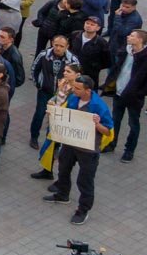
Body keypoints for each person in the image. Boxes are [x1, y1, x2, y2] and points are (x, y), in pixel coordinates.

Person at [44, 75, 114, 225]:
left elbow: (108, 131)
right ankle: (63, 194)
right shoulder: (74, 99)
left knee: (85, 180)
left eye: (77, 88)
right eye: (74, 87)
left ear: (88, 90)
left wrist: (97, 125)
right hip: (70, 144)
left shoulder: (99, 106)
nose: (73, 90)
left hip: (88, 150)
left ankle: (83, 209)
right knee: (63, 169)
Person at [109, 29, 147, 163]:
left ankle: (129, 150)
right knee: (115, 120)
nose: (128, 37)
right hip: (119, 92)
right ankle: (111, 143)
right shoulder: (126, 50)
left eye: (132, 36)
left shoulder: (144, 56)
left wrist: (139, 93)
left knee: (133, 124)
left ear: (140, 40)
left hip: (134, 97)